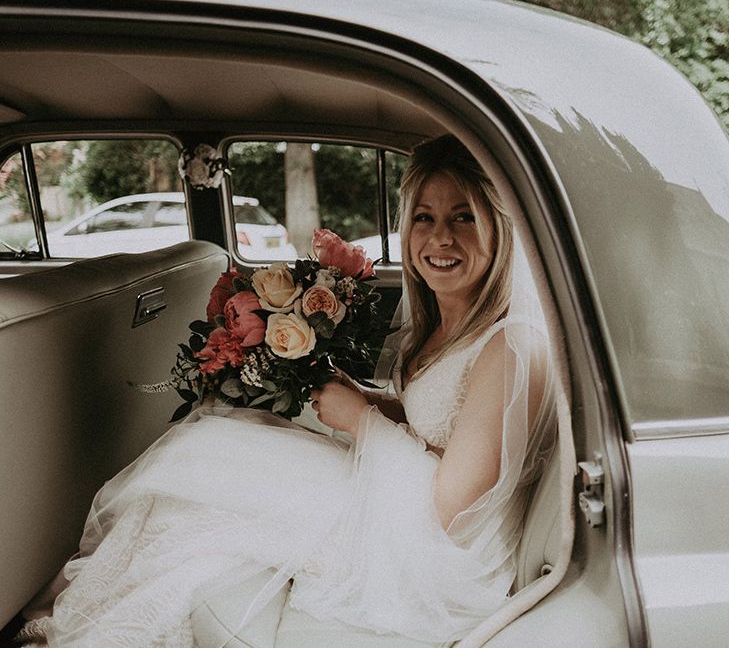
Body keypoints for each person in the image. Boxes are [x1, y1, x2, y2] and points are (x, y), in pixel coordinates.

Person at [20, 135, 557, 646]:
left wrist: (360, 420)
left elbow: (450, 512)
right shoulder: (445, 323)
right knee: (208, 450)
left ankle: (87, 632)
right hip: (399, 497)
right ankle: (83, 620)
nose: (441, 238)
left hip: (433, 551)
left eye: (464, 217)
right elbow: (441, 424)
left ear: (500, 227)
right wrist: (369, 400)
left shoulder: (510, 347)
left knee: (201, 472)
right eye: (425, 217)